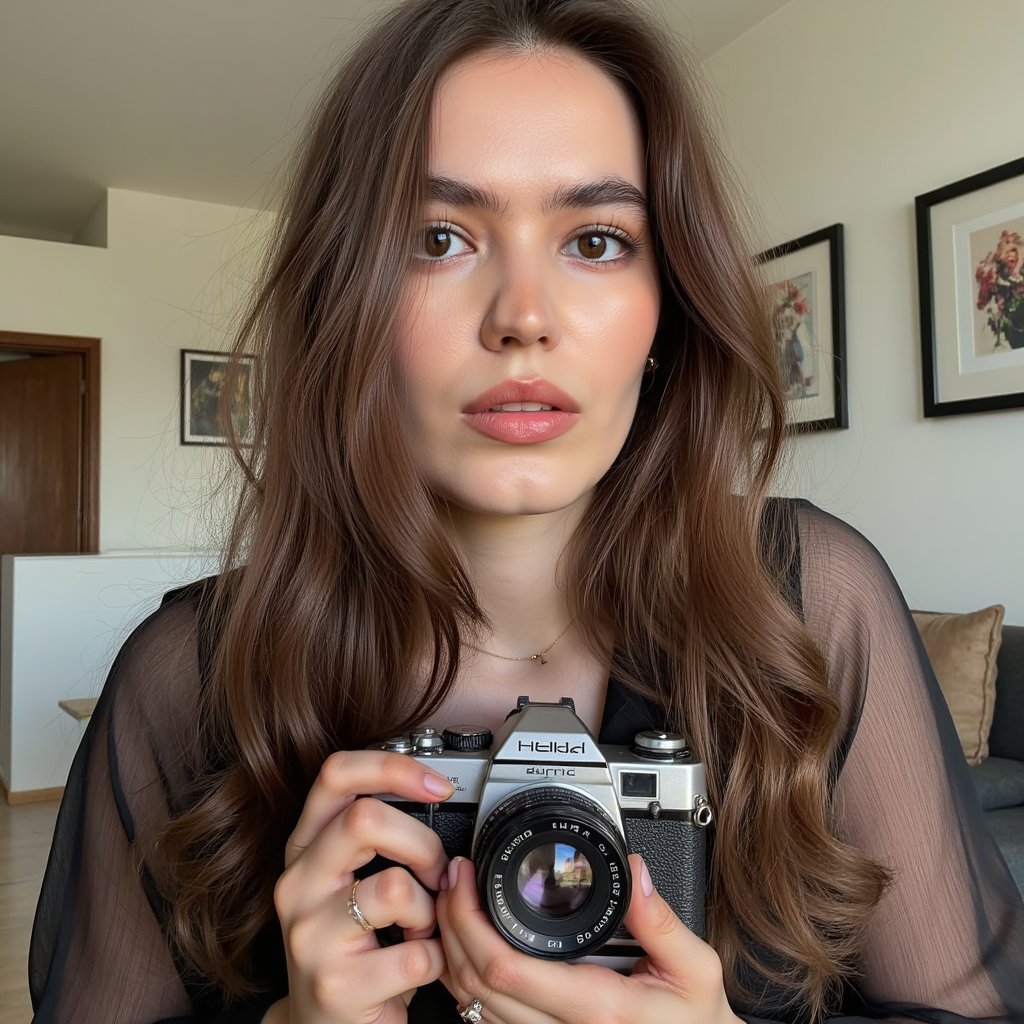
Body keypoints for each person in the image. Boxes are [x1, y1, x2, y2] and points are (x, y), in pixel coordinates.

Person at [27, 0, 1024, 1022]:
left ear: (664, 309)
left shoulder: (812, 606)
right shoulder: (188, 679)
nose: (523, 318)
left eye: (594, 239)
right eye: (439, 236)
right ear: (350, 302)